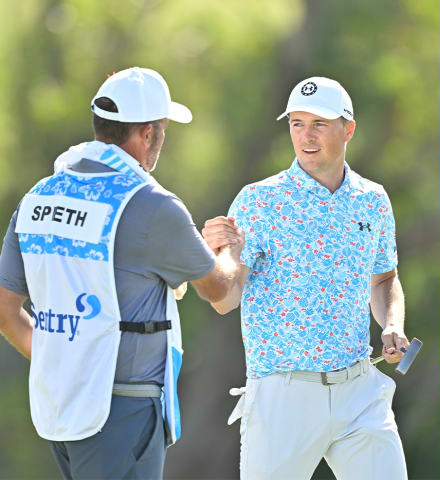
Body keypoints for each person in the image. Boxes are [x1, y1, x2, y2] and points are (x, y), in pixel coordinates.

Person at [0, 67, 242, 478]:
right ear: (147, 134)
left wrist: (63, 358)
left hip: (61, 403)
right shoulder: (153, 205)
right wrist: (228, 252)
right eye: (163, 129)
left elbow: (6, 311)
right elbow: (222, 293)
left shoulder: (37, 197)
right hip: (123, 410)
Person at [201, 77, 410, 479]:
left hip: (359, 390)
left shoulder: (373, 199)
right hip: (283, 394)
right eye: (297, 123)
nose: (306, 136)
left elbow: (384, 280)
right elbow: (226, 300)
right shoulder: (259, 200)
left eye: (319, 123)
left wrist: (392, 326)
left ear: (348, 129)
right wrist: (216, 257)